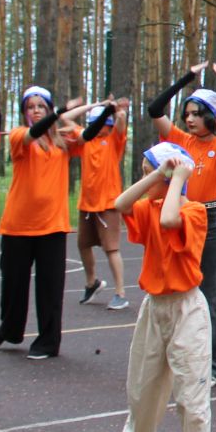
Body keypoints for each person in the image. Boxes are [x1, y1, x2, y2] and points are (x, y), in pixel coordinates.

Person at [106, 143, 213, 432]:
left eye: (150, 171)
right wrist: (157, 174)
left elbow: (171, 220)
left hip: (186, 310)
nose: (146, 179)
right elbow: (120, 204)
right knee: (142, 388)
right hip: (155, 307)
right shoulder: (147, 207)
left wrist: (178, 178)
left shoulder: (194, 211)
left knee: (190, 397)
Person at [0, 85, 90, 358]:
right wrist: (59, 113)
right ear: (24, 113)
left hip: (52, 226)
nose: (35, 111)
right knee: (13, 284)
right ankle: (9, 329)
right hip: (18, 225)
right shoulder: (20, 136)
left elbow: (86, 137)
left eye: (40, 106)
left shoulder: (63, 142)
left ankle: (48, 341)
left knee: (50, 288)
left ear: (47, 108)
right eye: (30, 107)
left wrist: (69, 117)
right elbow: (33, 133)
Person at [148, 61, 216, 383]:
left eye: (198, 114)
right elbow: (155, 108)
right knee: (177, 288)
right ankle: (178, 356)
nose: (190, 119)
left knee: (209, 294)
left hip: (209, 219)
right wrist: (186, 78)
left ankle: (212, 367)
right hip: (180, 214)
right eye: (188, 113)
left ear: (210, 116)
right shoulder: (180, 139)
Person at [77, 98, 132, 311]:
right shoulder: (86, 141)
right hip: (87, 204)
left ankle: (120, 293)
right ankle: (92, 282)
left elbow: (120, 124)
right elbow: (65, 121)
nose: (101, 128)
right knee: (83, 244)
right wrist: (92, 106)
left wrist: (119, 112)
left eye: (104, 125)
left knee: (111, 249)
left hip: (108, 203)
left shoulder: (113, 141)